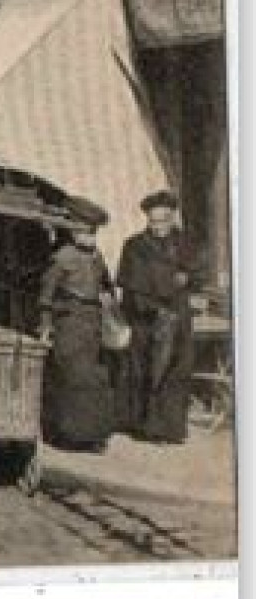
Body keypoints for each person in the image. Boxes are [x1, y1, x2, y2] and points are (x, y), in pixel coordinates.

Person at [117, 190, 202, 443]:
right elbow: (128, 283)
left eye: (163, 221)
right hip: (145, 318)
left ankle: (172, 429)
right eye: (153, 222)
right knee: (144, 371)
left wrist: (188, 278)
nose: (157, 227)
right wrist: (147, 307)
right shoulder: (134, 245)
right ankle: (145, 427)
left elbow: (198, 272)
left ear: (172, 218)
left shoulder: (185, 244)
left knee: (176, 371)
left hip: (177, 317)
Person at [38, 198, 118, 450]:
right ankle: (67, 435)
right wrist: (46, 326)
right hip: (69, 322)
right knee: (69, 377)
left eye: (93, 233)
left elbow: (106, 285)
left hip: (92, 323)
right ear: (73, 231)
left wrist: (109, 304)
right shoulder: (62, 257)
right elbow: (46, 296)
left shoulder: (97, 257)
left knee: (91, 379)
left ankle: (90, 435)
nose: (90, 238)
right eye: (85, 232)